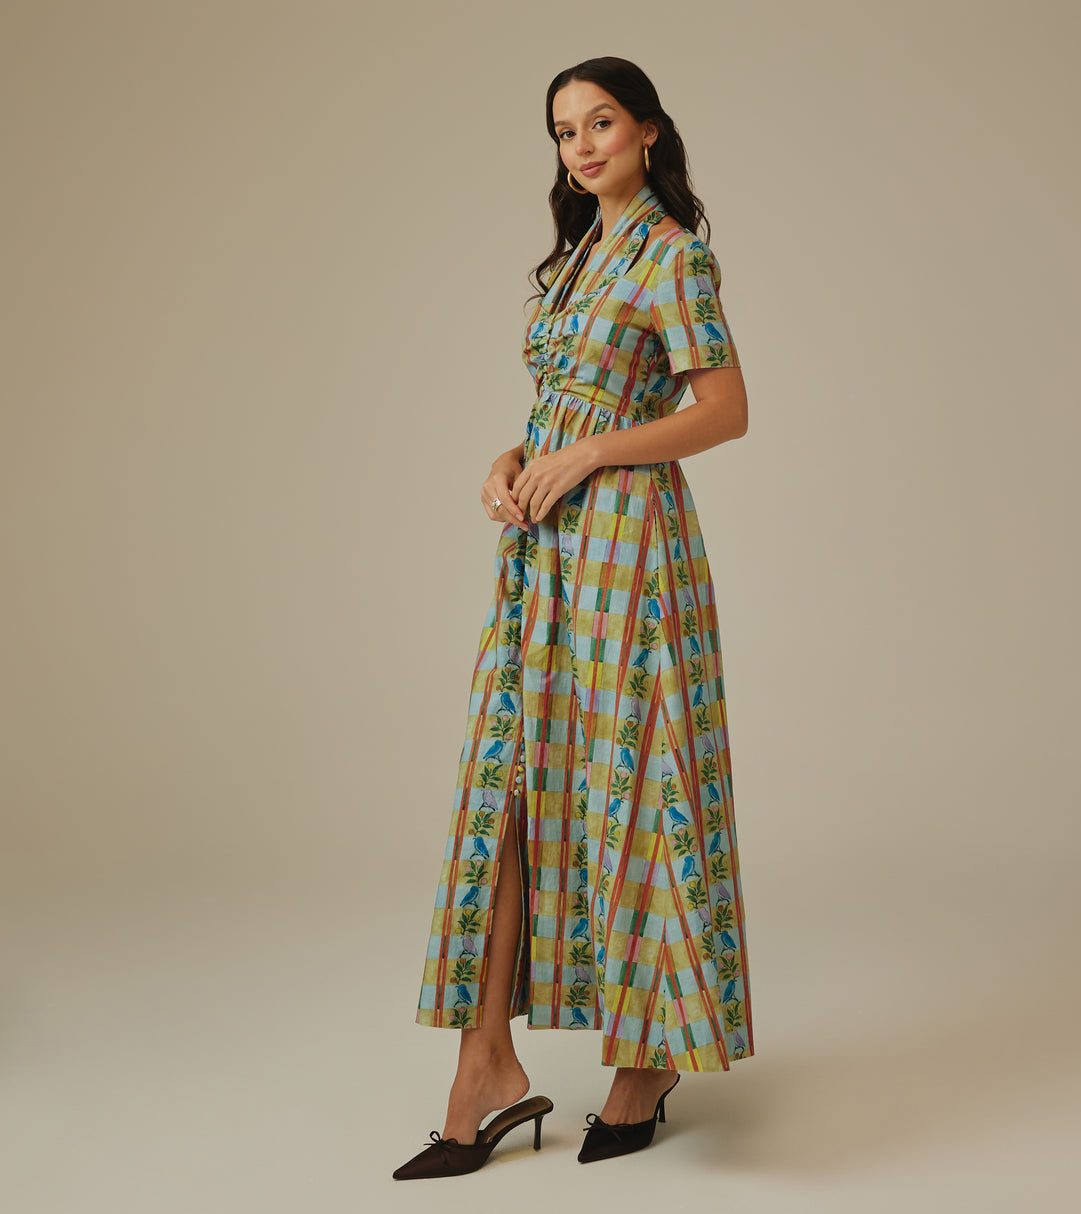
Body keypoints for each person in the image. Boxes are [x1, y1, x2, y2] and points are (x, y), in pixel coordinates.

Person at [395, 55, 755, 1180]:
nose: (581, 145)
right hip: (543, 552)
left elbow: (725, 410)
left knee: (633, 780)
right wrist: (510, 458)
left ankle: (645, 1059)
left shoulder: (673, 254)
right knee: (510, 784)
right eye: (563, 131)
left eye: (600, 122)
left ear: (646, 131)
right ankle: (485, 1062)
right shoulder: (576, 259)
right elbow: (559, 404)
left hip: (630, 550)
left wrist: (592, 452)